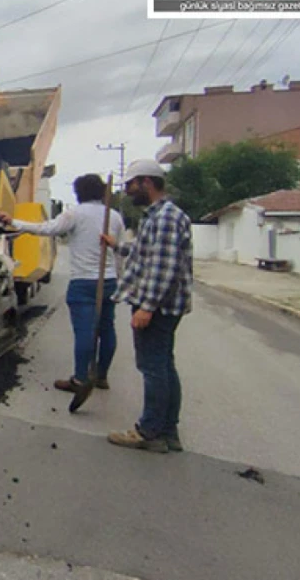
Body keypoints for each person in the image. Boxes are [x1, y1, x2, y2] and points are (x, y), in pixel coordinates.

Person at [0, 174, 125, 393]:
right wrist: (119, 279)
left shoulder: (74, 214)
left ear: (78, 193)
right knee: (107, 328)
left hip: (84, 283)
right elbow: (119, 250)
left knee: (85, 332)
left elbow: (47, 229)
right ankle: (102, 376)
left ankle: (80, 379)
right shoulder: (114, 216)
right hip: (109, 280)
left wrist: (13, 222)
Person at [101, 159, 193, 454]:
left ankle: (149, 432)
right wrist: (116, 245)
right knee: (164, 366)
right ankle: (168, 432)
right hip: (164, 305)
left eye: (131, 185)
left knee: (153, 367)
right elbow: (143, 252)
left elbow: (162, 268)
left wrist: (147, 306)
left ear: (147, 182)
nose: (128, 191)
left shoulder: (165, 218)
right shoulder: (157, 217)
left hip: (157, 306)